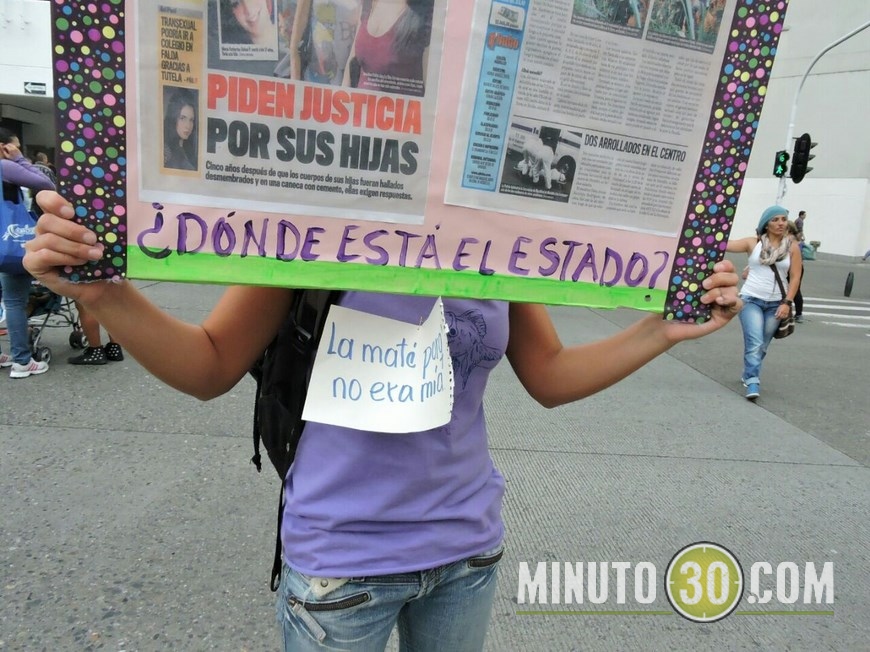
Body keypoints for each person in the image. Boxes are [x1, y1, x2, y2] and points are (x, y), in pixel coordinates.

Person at [26, 190, 741, 649]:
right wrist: (107, 296)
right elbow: (209, 362)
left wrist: (659, 331)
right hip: (342, 572)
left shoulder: (499, 231)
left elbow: (549, 376)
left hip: (466, 554)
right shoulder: (316, 218)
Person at [726, 205, 802, 401]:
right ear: (766, 224)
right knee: (755, 341)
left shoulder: (792, 247)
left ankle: (747, 371)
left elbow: (795, 277)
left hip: (777, 303)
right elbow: (725, 244)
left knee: (763, 345)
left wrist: (787, 303)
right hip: (750, 299)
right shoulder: (753, 244)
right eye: (775, 220)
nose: (780, 223)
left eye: (783, 219)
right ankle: (752, 380)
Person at [0, 128, 56, 379]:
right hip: (9, 244)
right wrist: (19, 159)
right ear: (5, 147)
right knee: (14, 302)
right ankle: (22, 361)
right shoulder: (6, 167)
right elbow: (46, 183)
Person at [344, 0, 434, 97]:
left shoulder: (425, 15)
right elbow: (353, 58)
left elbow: (432, 85)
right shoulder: (368, 4)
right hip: (362, 106)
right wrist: (342, 98)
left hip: (400, 109)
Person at [289, 0, 361, 84]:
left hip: (347, 79)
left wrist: (347, 86)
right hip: (313, 77)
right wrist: (294, 83)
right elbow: (294, 45)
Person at [163, 88, 198, 171]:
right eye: (182, 118)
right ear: (173, 119)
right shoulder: (165, 151)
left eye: (191, 120)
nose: (188, 126)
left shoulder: (189, 149)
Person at [787, 220, 805, 323]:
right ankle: (798, 314)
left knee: (794, 289)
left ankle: (798, 313)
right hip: (794, 266)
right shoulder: (795, 239)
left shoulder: (790, 240)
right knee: (794, 289)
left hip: (793, 266)